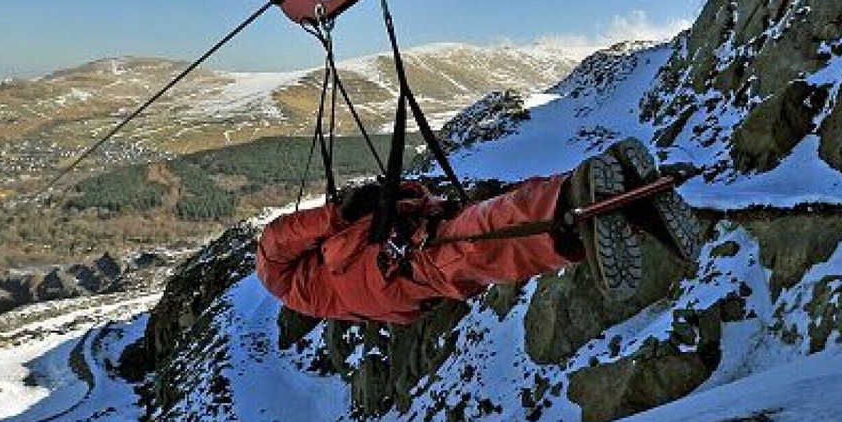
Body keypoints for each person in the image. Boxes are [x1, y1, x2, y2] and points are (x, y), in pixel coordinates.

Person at [256, 138, 701, 324]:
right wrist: (338, 215)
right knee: (479, 238)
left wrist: (402, 202)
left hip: (409, 273)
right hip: (403, 260)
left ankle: (624, 212)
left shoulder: (332, 290)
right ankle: (578, 201)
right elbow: (274, 241)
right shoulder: (302, 279)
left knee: (488, 239)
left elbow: (405, 312)